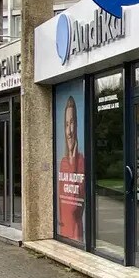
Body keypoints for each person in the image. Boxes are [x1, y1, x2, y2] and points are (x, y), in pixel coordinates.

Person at [57, 94, 85, 241]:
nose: (69, 131)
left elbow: (76, 205)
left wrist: (74, 163)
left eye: (72, 123)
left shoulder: (81, 161)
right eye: (66, 124)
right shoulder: (62, 162)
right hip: (63, 230)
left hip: (75, 232)